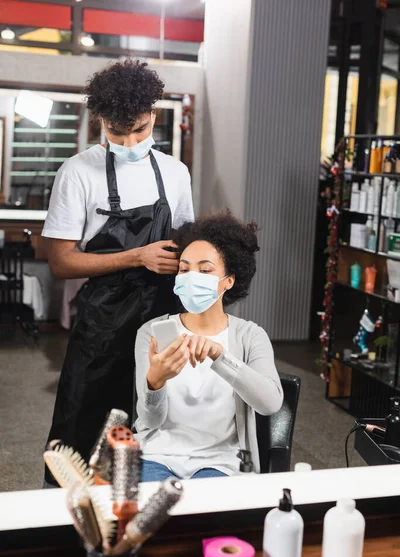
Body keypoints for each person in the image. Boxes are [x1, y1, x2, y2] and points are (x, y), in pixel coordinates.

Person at [42, 59, 194, 485]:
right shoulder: (77, 173)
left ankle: (137, 520)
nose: (129, 141)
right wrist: (136, 256)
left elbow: (187, 244)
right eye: (117, 131)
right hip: (104, 322)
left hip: (163, 320)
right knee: (81, 428)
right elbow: (61, 262)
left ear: (154, 115)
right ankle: (61, 524)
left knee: (154, 425)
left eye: (140, 130)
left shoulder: (175, 174)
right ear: (100, 121)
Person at [134, 213, 283, 481]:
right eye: (184, 268)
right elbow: (151, 421)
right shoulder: (152, 333)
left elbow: (270, 403)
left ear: (229, 281)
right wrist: (155, 381)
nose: (191, 277)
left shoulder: (250, 336)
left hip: (221, 461)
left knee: (202, 517)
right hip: (157, 456)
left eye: (204, 270)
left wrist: (219, 356)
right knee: (152, 515)